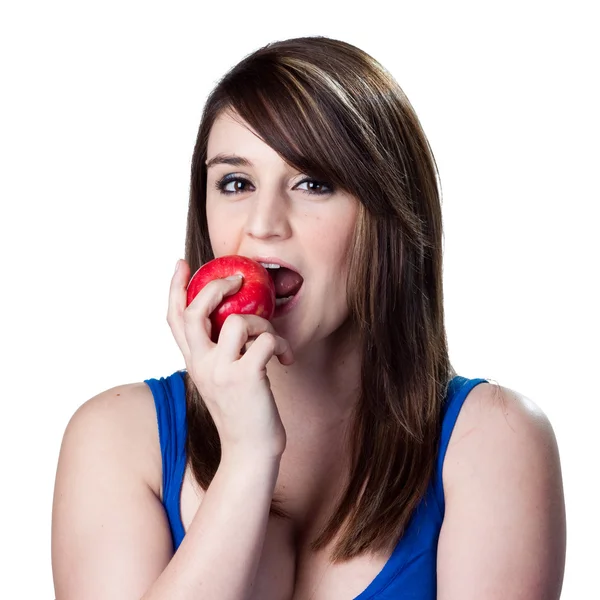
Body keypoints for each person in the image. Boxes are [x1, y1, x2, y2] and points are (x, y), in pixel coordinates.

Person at [51, 36, 566, 599]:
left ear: (386, 216)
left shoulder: (493, 439)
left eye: (313, 183)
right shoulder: (117, 440)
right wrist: (247, 458)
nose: (264, 223)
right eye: (236, 183)